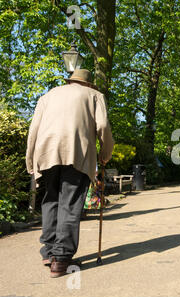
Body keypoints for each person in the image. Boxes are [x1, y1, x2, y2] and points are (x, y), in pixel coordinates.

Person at [26, 69, 114, 278]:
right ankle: (61, 258)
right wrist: (105, 153)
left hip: (46, 153)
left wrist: (31, 161)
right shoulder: (94, 96)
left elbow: (34, 130)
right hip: (77, 153)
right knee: (70, 203)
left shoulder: (47, 96)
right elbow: (102, 125)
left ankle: (49, 252)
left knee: (51, 201)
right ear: (88, 84)